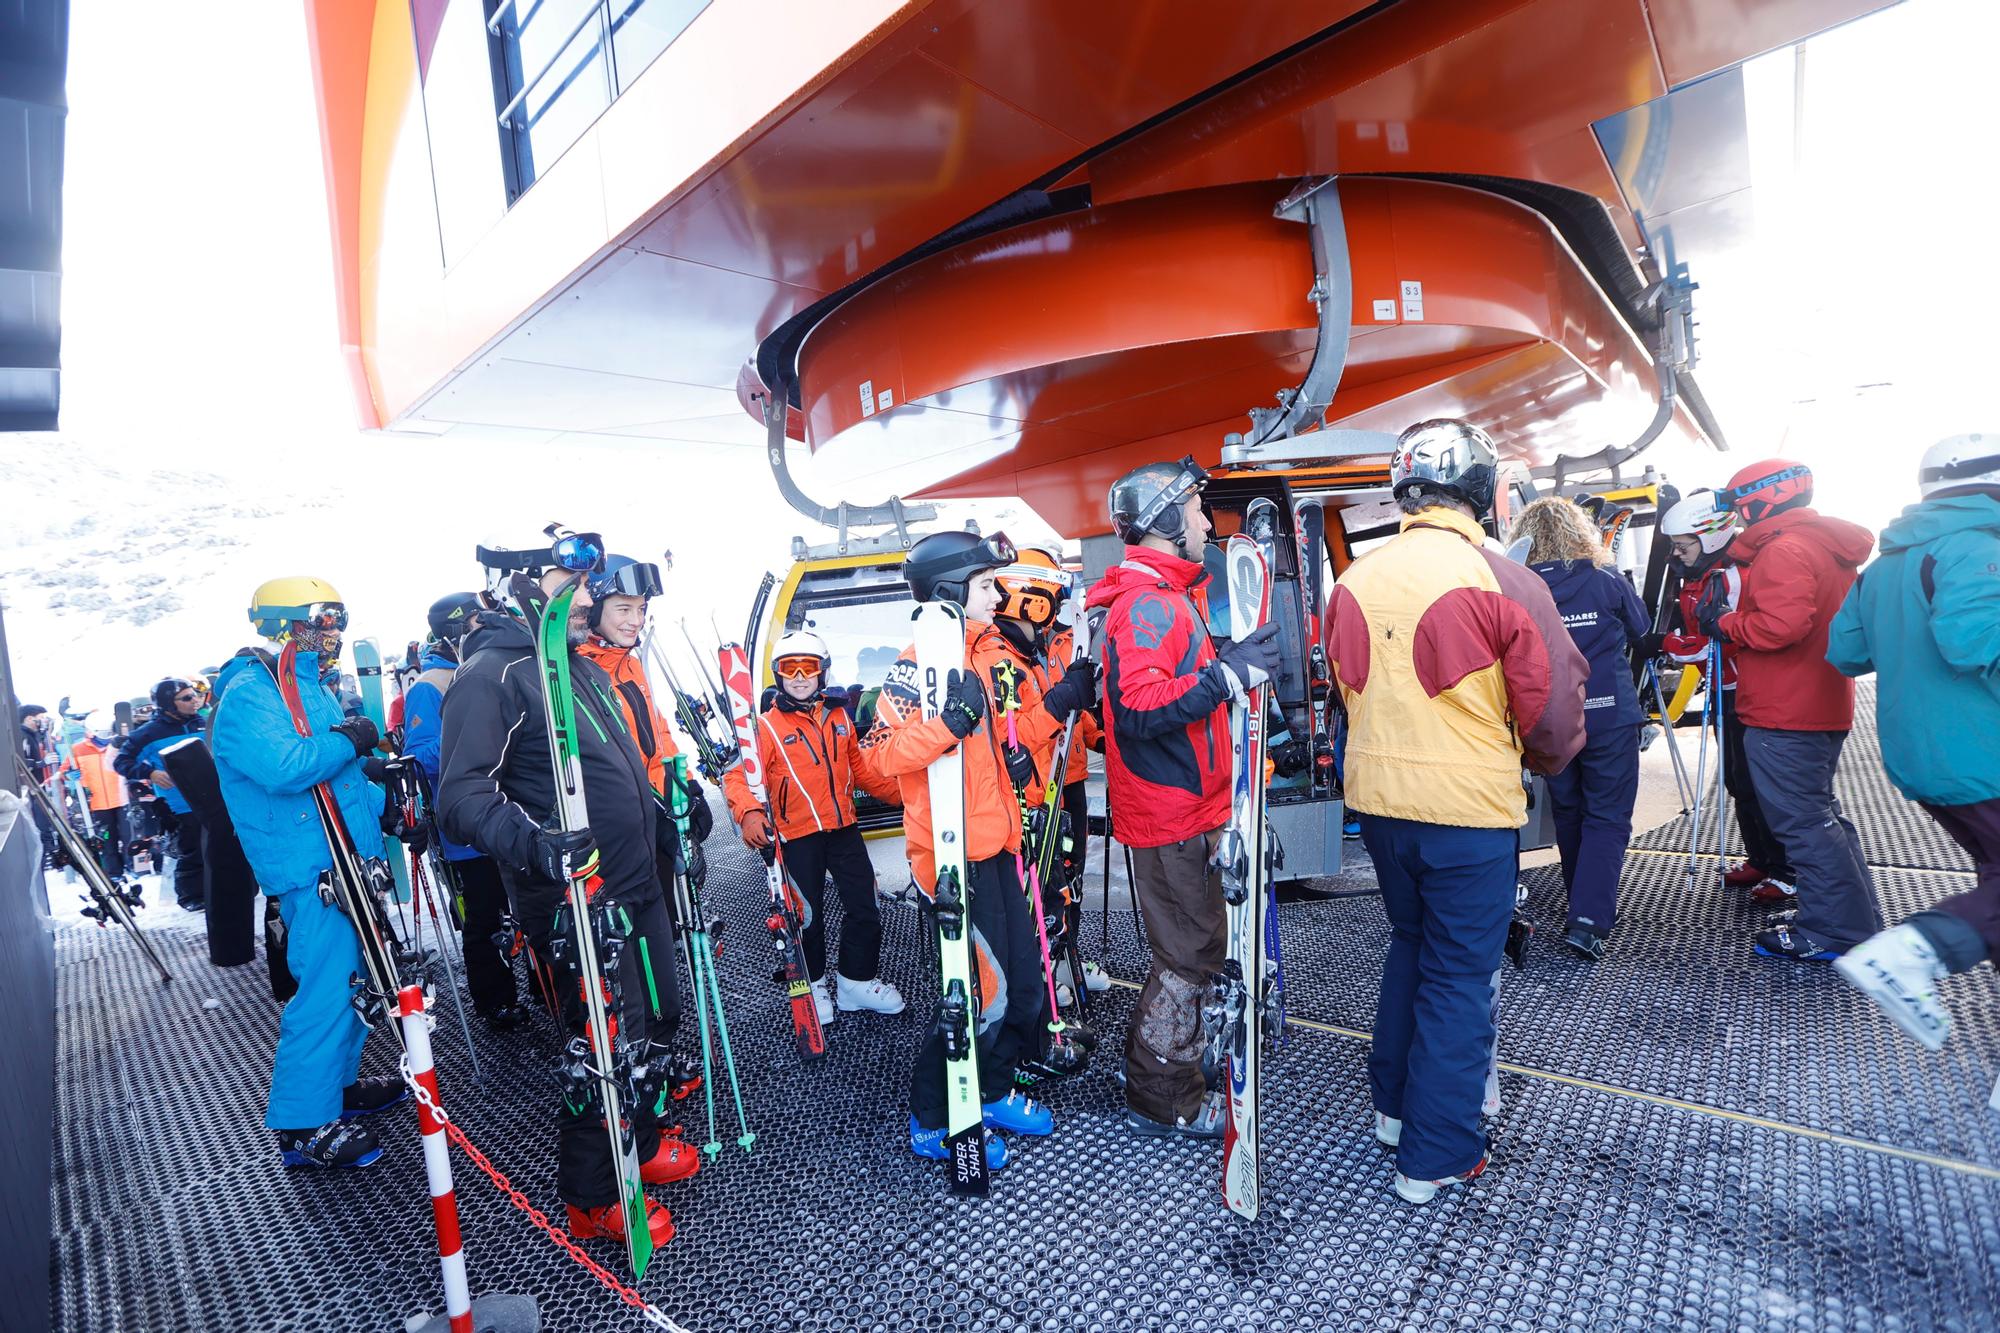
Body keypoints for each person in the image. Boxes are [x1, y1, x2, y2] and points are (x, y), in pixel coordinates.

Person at [1323, 419, 1586, 1203]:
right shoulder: (1503, 579)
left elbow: (1343, 690)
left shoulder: (1352, 581)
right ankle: (1437, 1153)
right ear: (1479, 490)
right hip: (1467, 813)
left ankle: (1396, 1113)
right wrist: (1539, 762)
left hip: (1379, 808)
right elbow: (1554, 714)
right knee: (1459, 978)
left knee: (1410, 948)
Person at [436, 530, 693, 1251]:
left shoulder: (573, 664)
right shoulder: (493, 673)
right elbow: (459, 795)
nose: (589, 598)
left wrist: (662, 817)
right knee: (604, 1040)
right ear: (522, 584)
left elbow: (617, 765)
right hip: (576, 897)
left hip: (636, 882)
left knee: (658, 1019)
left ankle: (637, 1142)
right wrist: (538, 846)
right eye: (572, 583)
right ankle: (593, 1193)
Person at [1085, 457, 1283, 1140]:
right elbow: (1138, 708)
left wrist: (1224, 663)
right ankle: (1162, 1092)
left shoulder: (1165, 600)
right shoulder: (1146, 604)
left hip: (1181, 810)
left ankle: (1156, 1068)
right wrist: (1227, 676)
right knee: (1188, 957)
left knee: (1191, 951)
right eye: (1196, 510)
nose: (1205, 522)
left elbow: (1163, 686)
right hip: (1168, 818)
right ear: (1167, 520)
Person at [867, 528, 1052, 1171]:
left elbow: (1010, 743)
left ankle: (992, 1088)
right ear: (948, 594)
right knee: (979, 994)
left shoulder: (990, 654)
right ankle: (932, 1114)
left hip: (996, 844)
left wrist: (1056, 705)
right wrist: (947, 725)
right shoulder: (917, 665)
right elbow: (881, 758)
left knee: (1024, 988)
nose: (997, 593)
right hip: (948, 861)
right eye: (983, 585)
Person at [209, 576, 408, 1169]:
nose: (334, 633)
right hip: (309, 868)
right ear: (283, 623)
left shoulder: (308, 686)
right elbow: (287, 767)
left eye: (338, 621)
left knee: (357, 985)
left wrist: (388, 812)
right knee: (324, 992)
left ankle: (337, 1089)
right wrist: (350, 739)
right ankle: (301, 1124)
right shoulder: (250, 693)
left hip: (347, 858)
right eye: (323, 620)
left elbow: (341, 781)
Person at [1827, 434, 2000, 1047]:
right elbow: (1974, 641)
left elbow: (1845, 653)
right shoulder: (1978, 548)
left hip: (1921, 761)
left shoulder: (1886, 566)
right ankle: (1916, 948)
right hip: (1985, 756)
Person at [1700, 459, 1880, 960]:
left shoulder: (1784, 550)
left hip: (1785, 710)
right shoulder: (1826, 547)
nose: (1738, 518)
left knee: (1803, 824)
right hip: (1819, 703)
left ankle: (1830, 931)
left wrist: (1727, 623)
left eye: (1740, 507)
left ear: (1764, 500)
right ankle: (1851, 919)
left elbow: (1779, 628)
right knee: (1823, 819)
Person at [723, 629, 906, 1022]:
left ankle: (855, 982)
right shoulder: (765, 727)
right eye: (791, 668)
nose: (801, 675)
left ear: (822, 672)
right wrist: (750, 813)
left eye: (810, 667)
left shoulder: (837, 716)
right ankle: (815, 983)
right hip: (796, 836)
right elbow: (738, 776)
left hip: (842, 829)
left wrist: (906, 797)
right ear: (779, 674)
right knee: (807, 917)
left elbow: (860, 770)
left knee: (865, 905)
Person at [1509, 497, 1648, 959]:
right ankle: (1588, 919)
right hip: (1610, 714)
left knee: (1569, 813)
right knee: (1607, 816)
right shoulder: (1605, 578)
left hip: (1552, 718)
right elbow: (1642, 627)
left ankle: (1582, 904)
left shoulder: (1518, 586)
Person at [1657, 490, 1795, 903]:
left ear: (1710, 537)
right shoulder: (1703, 575)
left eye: (1683, 546)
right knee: (1737, 780)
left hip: (1749, 690)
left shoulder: (1733, 576)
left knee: (1758, 781)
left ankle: (1787, 869)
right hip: (1725, 689)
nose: (1678, 555)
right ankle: (1761, 859)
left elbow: (1726, 640)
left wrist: (1667, 644)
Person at [400, 591, 529, 1030]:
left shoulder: (496, 664)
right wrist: (474, 732)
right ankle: (496, 1000)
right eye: (480, 619)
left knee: (526, 906)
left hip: (513, 812)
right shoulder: (430, 686)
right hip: (468, 830)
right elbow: (418, 756)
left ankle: (543, 985)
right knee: (484, 913)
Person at [993, 546, 1109, 1003]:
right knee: (1045, 878)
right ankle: (1045, 965)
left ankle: (1065, 954)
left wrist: (1102, 737)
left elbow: (1077, 712)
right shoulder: (1012, 653)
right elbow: (1025, 722)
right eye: (1053, 597)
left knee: (1070, 873)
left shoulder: (1054, 644)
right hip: (1037, 787)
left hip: (1070, 777)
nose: (1058, 608)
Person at [114, 678, 209, 911]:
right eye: (186, 698)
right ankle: (191, 896)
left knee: (222, 846)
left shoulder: (203, 724)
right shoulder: (149, 732)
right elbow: (122, 762)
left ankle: (226, 889)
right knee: (193, 848)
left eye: (195, 695)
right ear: (168, 703)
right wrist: (150, 772)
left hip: (214, 797)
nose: (194, 701)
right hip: (179, 803)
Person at [61, 713, 133, 883]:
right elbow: (64, 770)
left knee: (128, 835)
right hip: (98, 802)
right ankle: (114, 872)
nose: (105, 737)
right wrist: (69, 775)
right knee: (107, 839)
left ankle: (133, 866)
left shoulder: (119, 745)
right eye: (101, 733)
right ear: (90, 731)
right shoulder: (78, 749)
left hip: (122, 799)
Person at [17, 703, 60, 864]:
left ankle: (49, 850)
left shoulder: (34, 735)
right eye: (40, 719)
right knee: (40, 821)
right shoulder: (22, 735)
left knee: (45, 819)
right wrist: (41, 763)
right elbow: (20, 761)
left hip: (38, 785)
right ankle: (44, 855)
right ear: (29, 718)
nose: (42, 722)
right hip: (30, 788)